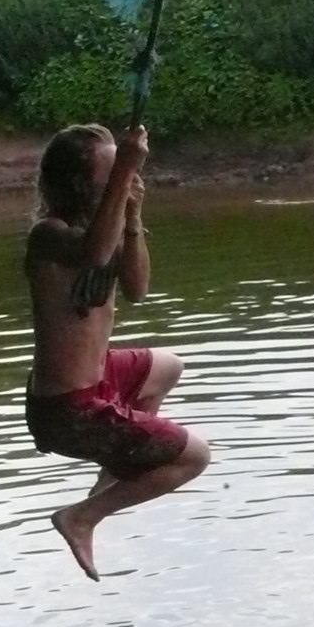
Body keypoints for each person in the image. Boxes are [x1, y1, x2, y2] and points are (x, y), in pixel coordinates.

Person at [24, 123, 210, 580]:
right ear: (77, 183)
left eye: (122, 177)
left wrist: (132, 215)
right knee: (195, 456)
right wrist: (126, 167)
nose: (121, 185)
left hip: (97, 380)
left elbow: (138, 289)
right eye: (109, 178)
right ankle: (83, 516)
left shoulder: (102, 232)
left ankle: (116, 464)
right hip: (66, 408)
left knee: (168, 367)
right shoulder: (48, 236)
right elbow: (92, 253)